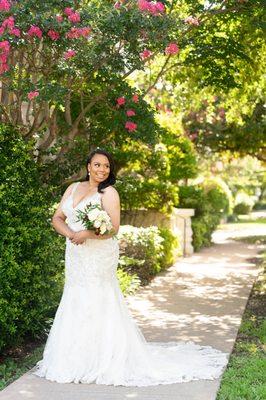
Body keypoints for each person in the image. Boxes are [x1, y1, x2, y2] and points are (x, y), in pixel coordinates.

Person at [32, 148, 229, 386]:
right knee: (75, 295)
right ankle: (74, 358)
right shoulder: (72, 189)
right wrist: (72, 235)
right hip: (76, 252)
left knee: (98, 297)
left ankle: (104, 357)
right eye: (97, 165)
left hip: (98, 253)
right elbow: (57, 218)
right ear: (88, 166)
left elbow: (113, 228)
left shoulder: (109, 193)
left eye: (106, 166)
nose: (102, 169)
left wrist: (86, 233)